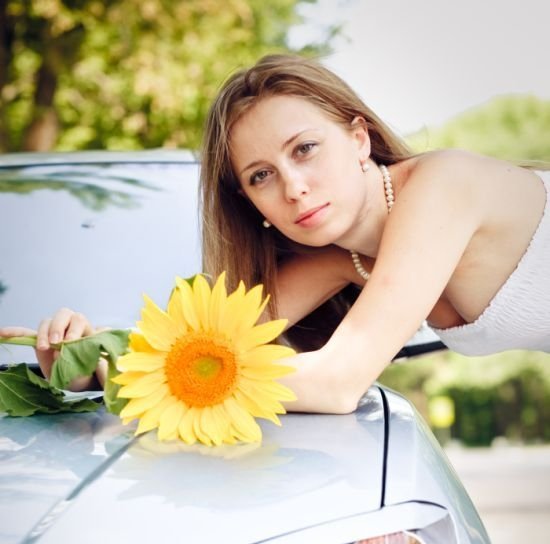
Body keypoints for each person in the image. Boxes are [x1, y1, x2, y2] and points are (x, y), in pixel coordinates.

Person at [2, 53, 549, 410]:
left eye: (305, 149)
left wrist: (170, 385)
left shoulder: (443, 186)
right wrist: (88, 365)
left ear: (358, 138)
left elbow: (337, 381)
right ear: (249, 200)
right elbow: (198, 348)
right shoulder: (346, 259)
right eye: (261, 176)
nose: (293, 188)